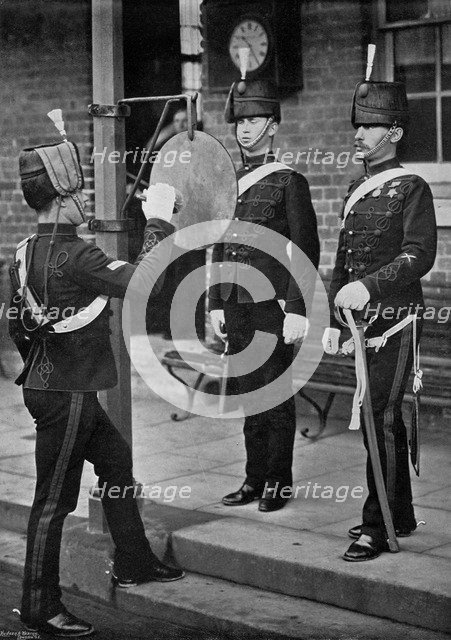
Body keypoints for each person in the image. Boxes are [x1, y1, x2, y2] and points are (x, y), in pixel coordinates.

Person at [9, 138, 184, 636]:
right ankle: (40, 606)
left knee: (115, 461)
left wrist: (51, 368)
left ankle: (133, 561)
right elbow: (146, 281)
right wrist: (159, 223)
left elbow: (18, 328)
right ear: (63, 196)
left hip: (55, 388)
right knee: (53, 503)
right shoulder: (78, 255)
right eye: (80, 191)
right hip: (68, 396)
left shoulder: (23, 254)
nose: (86, 199)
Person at [322, 79, 437, 561]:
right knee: (381, 419)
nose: (359, 135)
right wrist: (333, 315)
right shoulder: (355, 189)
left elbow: (418, 256)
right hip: (360, 324)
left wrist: (369, 287)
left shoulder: (413, 188)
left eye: (369, 127)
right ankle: (401, 513)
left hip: (396, 321)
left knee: (381, 419)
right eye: (358, 126)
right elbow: (342, 261)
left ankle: (379, 524)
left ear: (393, 132)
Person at [209, 78, 320, 512]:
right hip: (236, 307)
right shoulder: (230, 182)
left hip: (272, 307)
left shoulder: (290, 182)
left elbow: (306, 249)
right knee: (247, 395)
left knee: (274, 395)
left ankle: (279, 481)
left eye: (255, 120)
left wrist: (297, 308)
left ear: (273, 126)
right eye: (240, 121)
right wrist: (217, 301)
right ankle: (254, 479)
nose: (245, 129)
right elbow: (218, 242)